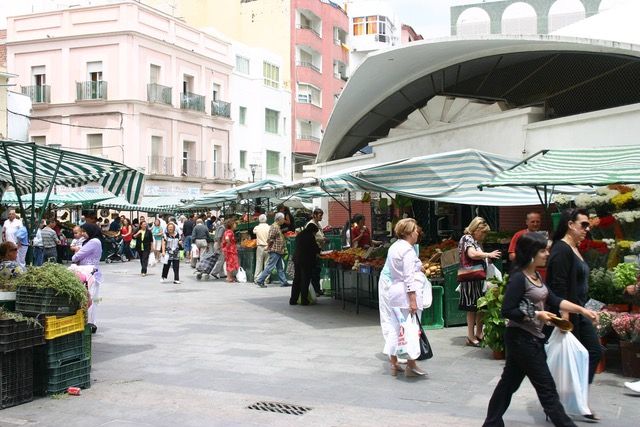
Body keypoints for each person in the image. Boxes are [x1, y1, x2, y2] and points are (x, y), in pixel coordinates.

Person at [483, 232, 599, 427]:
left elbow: (553, 299)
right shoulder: (519, 278)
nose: (547, 254)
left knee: (508, 384)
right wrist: (538, 315)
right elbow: (508, 310)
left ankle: (492, 423)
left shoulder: (535, 275)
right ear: (531, 253)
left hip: (531, 339)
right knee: (547, 388)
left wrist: (582, 310)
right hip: (522, 339)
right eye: (543, 250)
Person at [546, 208, 602, 420]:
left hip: (580, 311)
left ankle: (577, 399)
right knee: (575, 359)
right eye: (583, 224)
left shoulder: (574, 248)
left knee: (592, 352)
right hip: (570, 314)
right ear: (570, 224)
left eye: (588, 225)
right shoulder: (561, 249)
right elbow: (557, 286)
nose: (586, 229)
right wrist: (564, 321)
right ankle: (562, 403)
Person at [378, 218, 427, 377]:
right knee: (411, 329)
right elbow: (408, 277)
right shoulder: (407, 250)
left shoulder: (394, 247)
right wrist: (413, 300)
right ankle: (411, 364)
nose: (417, 233)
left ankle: (394, 363)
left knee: (395, 327)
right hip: (405, 294)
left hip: (395, 292)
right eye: (414, 230)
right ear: (408, 232)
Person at [458, 217, 501, 347]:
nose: (484, 236)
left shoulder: (475, 241)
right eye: (483, 232)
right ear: (476, 229)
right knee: (472, 308)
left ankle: (479, 333)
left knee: (481, 307)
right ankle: (470, 336)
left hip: (479, 278)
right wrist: (488, 254)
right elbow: (471, 254)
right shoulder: (467, 238)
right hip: (470, 279)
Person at [72, 223, 103, 334]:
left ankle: (89, 323)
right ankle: (89, 323)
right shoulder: (93, 241)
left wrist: (77, 252)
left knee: (90, 299)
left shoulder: (93, 242)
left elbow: (75, 257)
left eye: (84, 231)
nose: (83, 234)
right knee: (92, 299)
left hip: (90, 274)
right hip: (90, 272)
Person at [290, 223, 320, 305]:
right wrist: (319, 248)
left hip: (297, 259)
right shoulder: (310, 236)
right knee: (305, 280)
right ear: (312, 231)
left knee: (297, 279)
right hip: (306, 260)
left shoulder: (300, 235)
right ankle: (304, 300)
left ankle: (293, 299)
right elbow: (315, 248)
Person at [255, 213, 289, 288]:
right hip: (275, 250)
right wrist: (268, 247)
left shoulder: (277, 227)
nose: (284, 220)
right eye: (283, 219)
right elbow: (270, 239)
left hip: (278, 250)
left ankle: (284, 281)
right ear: (279, 219)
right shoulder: (274, 227)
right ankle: (260, 280)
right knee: (270, 266)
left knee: (279, 267)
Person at [307, 208, 327, 296]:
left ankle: (318, 289)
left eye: (322, 215)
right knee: (314, 272)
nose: (321, 217)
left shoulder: (318, 224)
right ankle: (315, 290)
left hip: (318, 250)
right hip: (312, 252)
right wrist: (322, 239)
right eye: (320, 215)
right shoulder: (310, 224)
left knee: (317, 271)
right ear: (314, 215)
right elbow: (312, 238)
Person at [253, 214, 271, 281]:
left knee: (259, 263)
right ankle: (266, 279)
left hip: (260, 247)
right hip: (268, 246)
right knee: (267, 264)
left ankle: (257, 278)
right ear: (266, 219)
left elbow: (254, 232)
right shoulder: (269, 227)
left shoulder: (256, 227)